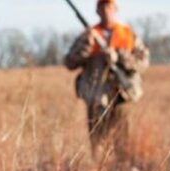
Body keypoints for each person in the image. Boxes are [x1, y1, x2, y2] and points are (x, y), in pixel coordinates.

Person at [64, 0, 149, 159]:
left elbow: (143, 62)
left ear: (115, 9)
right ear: (97, 10)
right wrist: (86, 48)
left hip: (122, 96)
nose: (105, 10)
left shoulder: (127, 34)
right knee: (97, 144)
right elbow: (69, 62)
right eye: (102, 6)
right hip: (96, 98)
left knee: (123, 142)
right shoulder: (89, 35)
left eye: (109, 6)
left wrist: (121, 58)